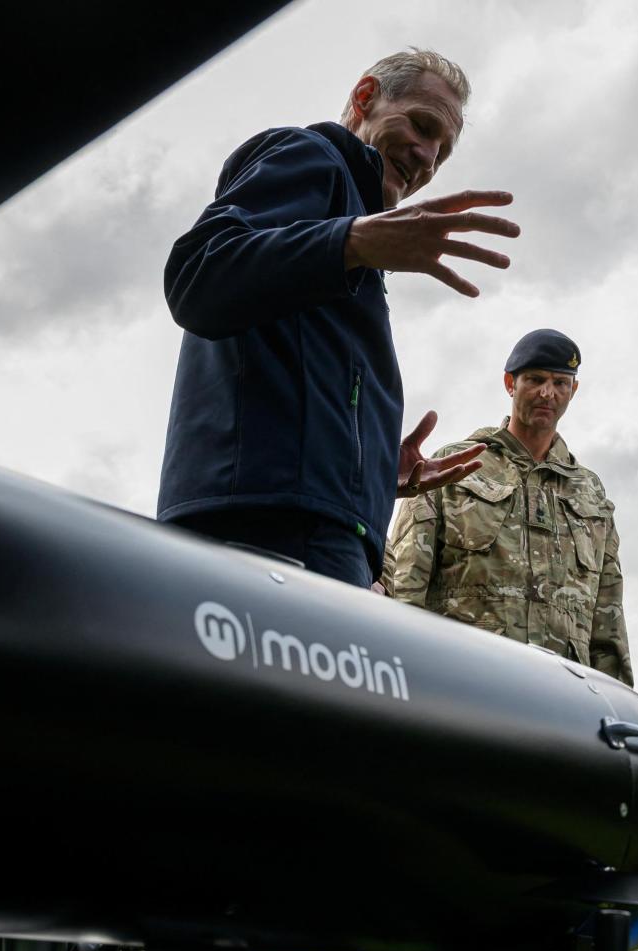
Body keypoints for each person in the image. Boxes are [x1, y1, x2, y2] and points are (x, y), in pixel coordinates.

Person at [156, 49, 520, 587]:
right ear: (365, 97)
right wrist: (351, 240)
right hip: (270, 535)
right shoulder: (312, 156)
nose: (425, 158)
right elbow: (197, 278)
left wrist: (370, 464)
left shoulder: (351, 234)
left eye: (441, 155)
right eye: (421, 126)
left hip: (323, 532)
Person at [382, 329, 631, 681]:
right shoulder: (456, 466)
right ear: (509, 383)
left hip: (563, 688)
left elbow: (608, 614)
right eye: (535, 379)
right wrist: (402, 676)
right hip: (465, 678)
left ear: (573, 391)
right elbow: (407, 582)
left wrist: (615, 700)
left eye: (561, 383)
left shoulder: (588, 491)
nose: (548, 393)